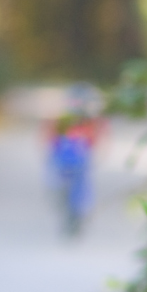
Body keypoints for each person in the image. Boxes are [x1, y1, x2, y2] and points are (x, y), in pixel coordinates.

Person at [47, 83, 104, 236]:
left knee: (77, 186)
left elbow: (51, 136)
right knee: (74, 186)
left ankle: (76, 211)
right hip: (69, 156)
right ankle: (74, 210)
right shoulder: (77, 116)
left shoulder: (83, 116)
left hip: (72, 157)